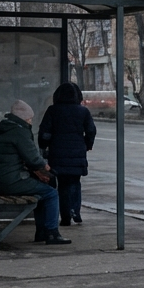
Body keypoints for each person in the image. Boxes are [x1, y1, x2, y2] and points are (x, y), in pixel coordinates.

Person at [0, 101, 69, 245]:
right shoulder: (19, 131)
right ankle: (52, 233)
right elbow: (33, 158)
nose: (30, 121)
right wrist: (46, 167)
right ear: (23, 117)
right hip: (12, 181)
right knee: (50, 193)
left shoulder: (3, 128)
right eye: (29, 118)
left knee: (41, 191)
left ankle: (42, 232)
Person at [38, 82, 97, 226]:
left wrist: (43, 146)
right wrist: (87, 144)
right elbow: (91, 131)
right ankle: (75, 211)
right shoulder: (83, 111)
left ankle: (65, 216)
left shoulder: (53, 110)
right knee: (74, 182)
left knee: (60, 184)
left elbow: (44, 132)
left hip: (57, 152)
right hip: (77, 152)